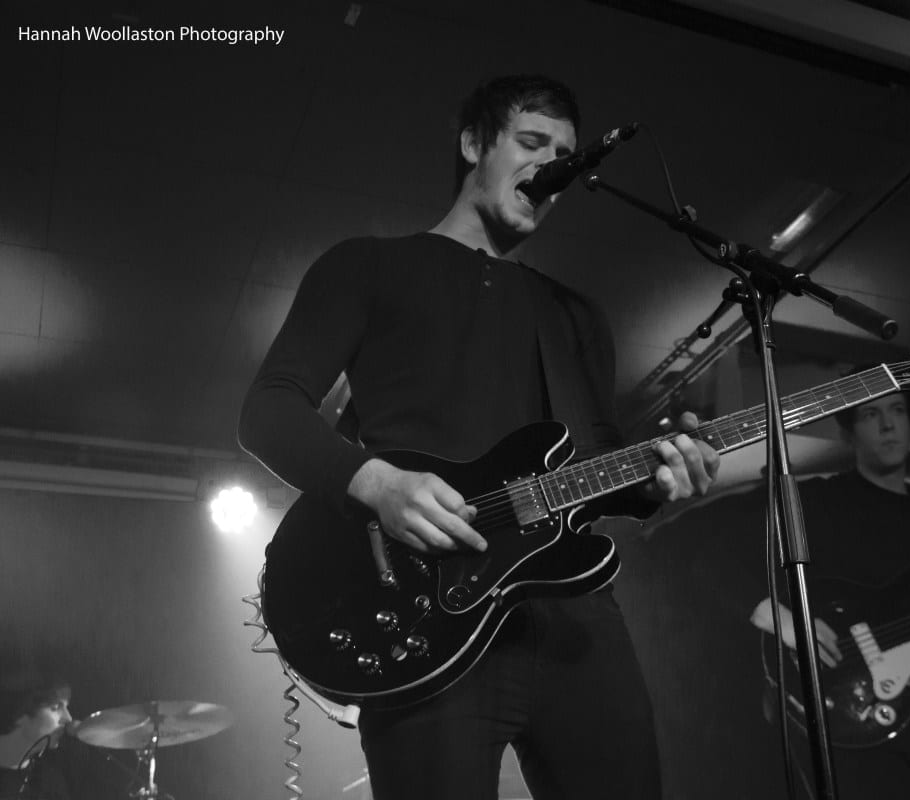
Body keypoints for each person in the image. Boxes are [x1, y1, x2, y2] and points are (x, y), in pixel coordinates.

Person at [239, 74, 719, 800]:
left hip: (571, 616)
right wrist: (375, 482)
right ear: (472, 144)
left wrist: (659, 480)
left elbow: (597, 468)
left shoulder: (576, 316)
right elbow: (268, 410)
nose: (550, 166)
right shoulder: (368, 266)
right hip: (425, 608)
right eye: (531, 142)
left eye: (563, 156)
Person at [750, 387, 910, 800]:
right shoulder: (821, 501)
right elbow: (724, 560)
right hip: (850, 726)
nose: (888, 425)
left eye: (897, 411)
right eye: (871, 415)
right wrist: (783, 617)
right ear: (847, 432)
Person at [0, 672, 73, 800]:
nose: (68, 718)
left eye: (66, 707)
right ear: (20, 712)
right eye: (55, 707)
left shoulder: (51, 783)